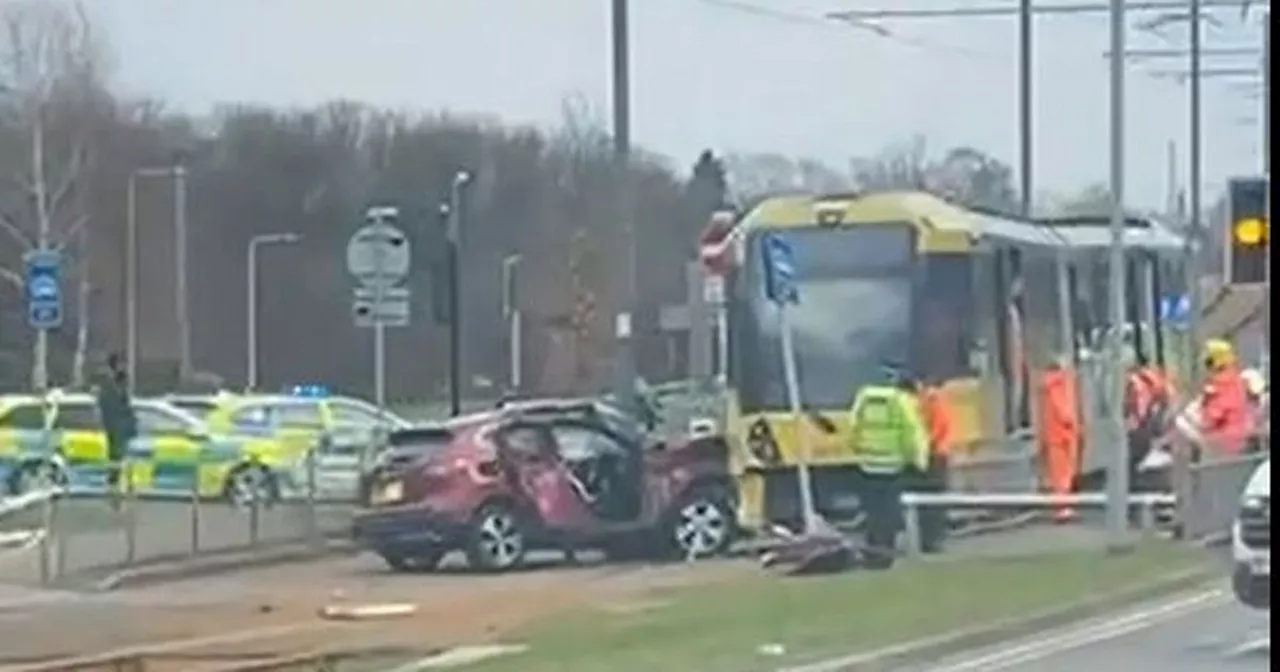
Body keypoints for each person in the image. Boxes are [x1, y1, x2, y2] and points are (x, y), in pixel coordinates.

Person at [847, 365, 930, 569]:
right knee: (889, 512)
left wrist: (858, 449)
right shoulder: (900, 401)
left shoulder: (864, 398)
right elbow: (912, 432)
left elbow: (852, 426)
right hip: (892, 466)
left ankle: (872, 553)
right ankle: (885, 555)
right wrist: (919, 460)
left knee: (872, 511)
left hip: (868, 464)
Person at [914, 377, 956, 553]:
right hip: (934, 452)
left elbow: (938, 428)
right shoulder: (931, 399)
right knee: (932, 499)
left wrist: (925, 444)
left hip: (934, 453)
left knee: (932, 498)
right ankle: (931, 538)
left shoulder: (931, 400)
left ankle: (932, 539)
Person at [1037, 355, 1081, 523]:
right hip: (1064, 434)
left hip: (1054, 435)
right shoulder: (1058, 384)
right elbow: (1063, 409)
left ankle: (1062, 507)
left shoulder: (1048, 386)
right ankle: (1063, 509)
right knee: (1064, 474)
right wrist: (1070, 421)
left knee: (1059, 474)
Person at [94, 353, 137, 503]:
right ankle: (113, 494)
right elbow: (111, 407)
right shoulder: (107, 386)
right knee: (115, 462)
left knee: (118, 462)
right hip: (112, 429)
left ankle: (116, 494)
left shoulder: (119, 383)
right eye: (121, 364)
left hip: (117, 429)